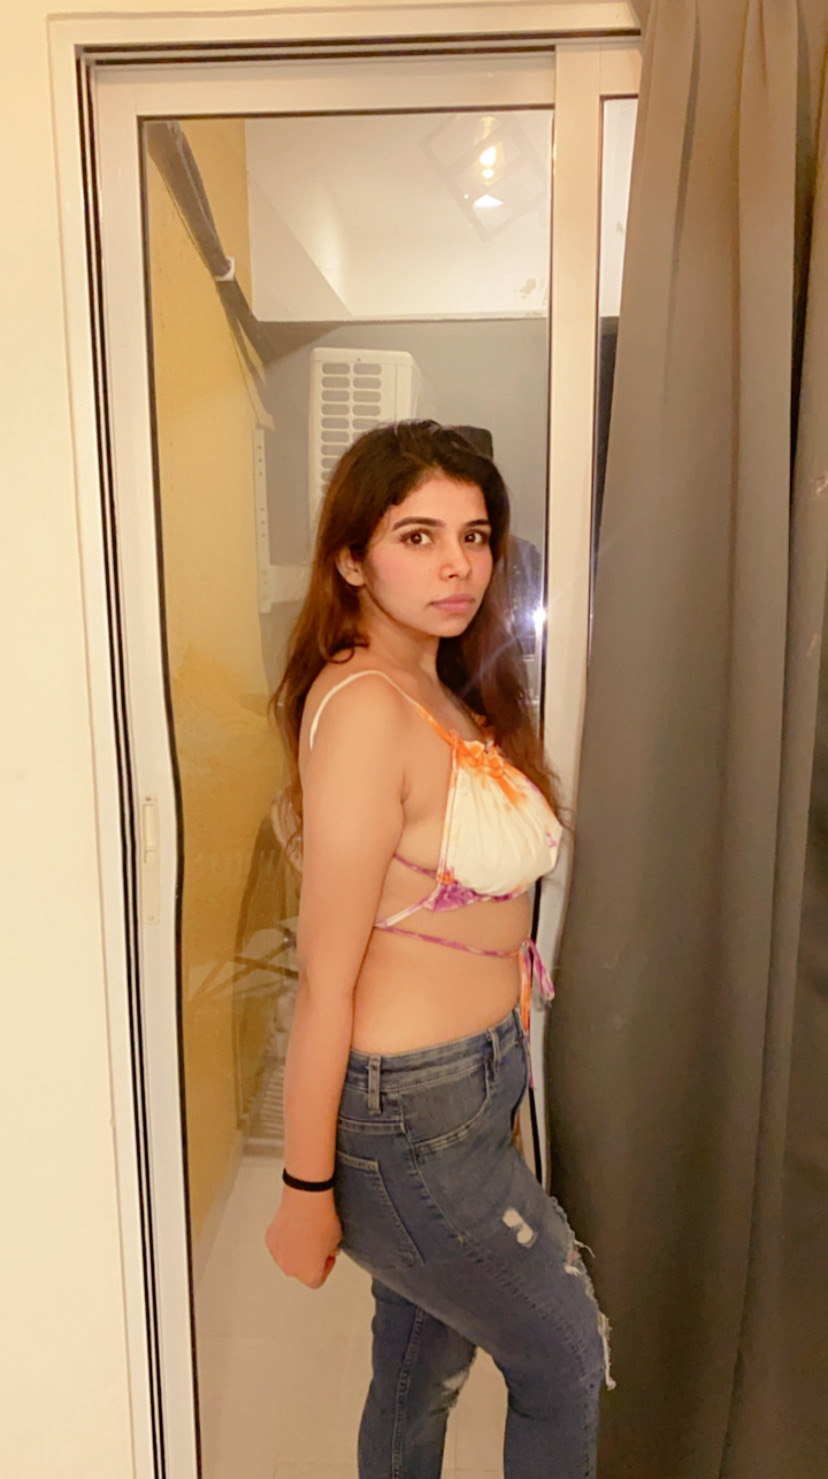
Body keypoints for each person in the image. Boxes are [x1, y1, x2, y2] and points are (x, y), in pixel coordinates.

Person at [264, 421, 613, 1479]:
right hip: (407, 1112)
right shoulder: (367, 708)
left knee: (421, 1369)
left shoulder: (445, 692)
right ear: (351, 560)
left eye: (475, 535)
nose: (458, 563)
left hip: (470, 1086)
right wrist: (304, 1188)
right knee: (563, 1357)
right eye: (417, 536)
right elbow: (326, 980)